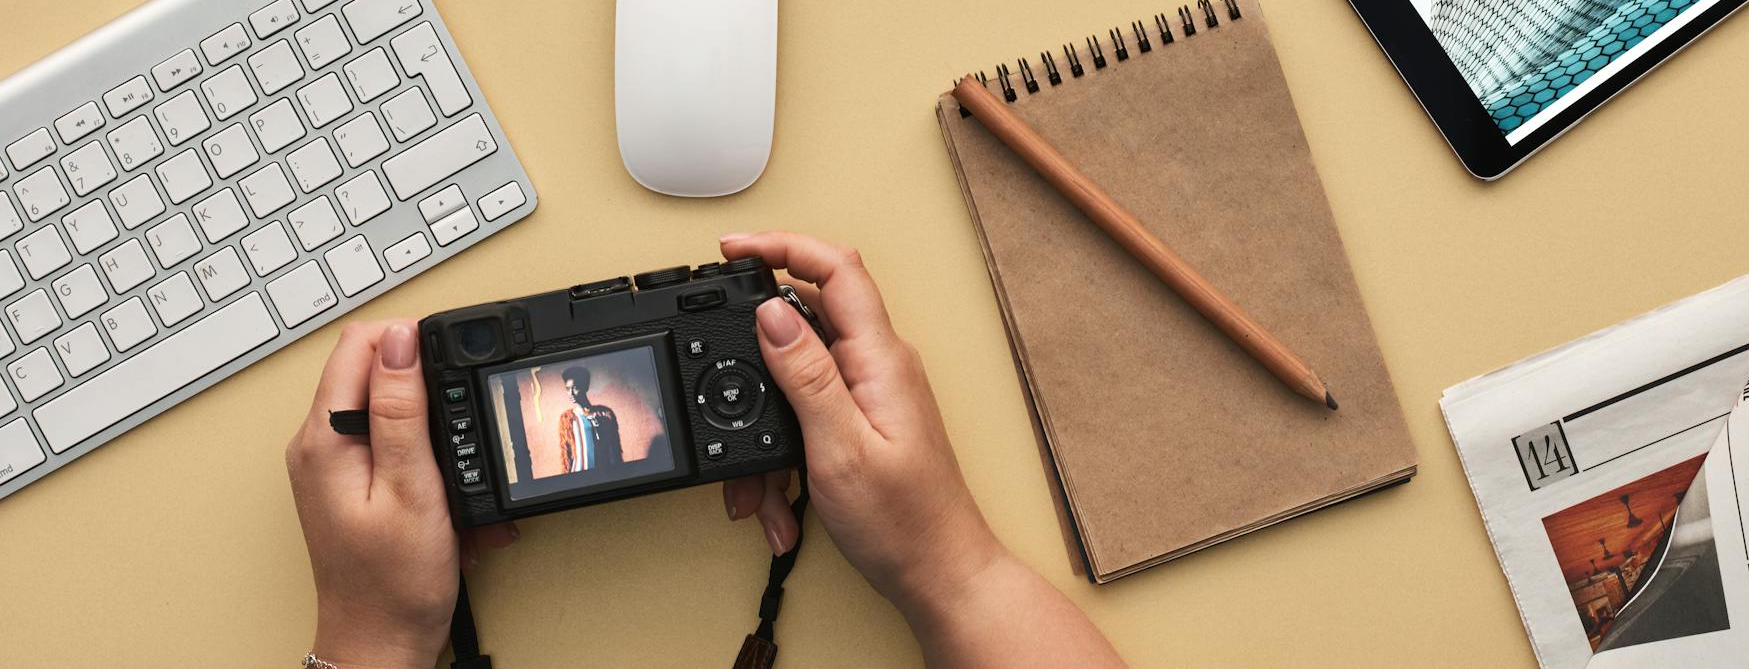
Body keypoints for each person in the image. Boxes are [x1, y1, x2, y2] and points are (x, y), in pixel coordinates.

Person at [286, 231, 1126, 669]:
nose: (578, 395)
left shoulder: (606, 423)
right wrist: (950, 566)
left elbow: (605, 438)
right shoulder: (575, 422)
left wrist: (371, 641)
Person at [556, 365, 622, 475]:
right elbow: (566, 455)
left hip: (605, 473)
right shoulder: (567, 419)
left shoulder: (604, 414)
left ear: (585, 386)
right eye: (567, 389)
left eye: (575, 388)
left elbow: (614, 447)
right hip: (579, 476)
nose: (571, 393)